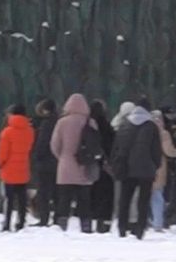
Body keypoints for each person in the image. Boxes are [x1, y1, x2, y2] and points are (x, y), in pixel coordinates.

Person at [112, 100, 162, 239]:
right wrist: (155, 165)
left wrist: (116, 164)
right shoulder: (151, 126)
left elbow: (116, 147)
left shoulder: (124, 124)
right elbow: (156, 149)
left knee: (124, 199)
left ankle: (122, 227)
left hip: (126, 167)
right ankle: (140, 229)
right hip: (146, 169)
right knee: (143, 201)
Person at [50, 94, 99, 233]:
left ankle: (62, 225)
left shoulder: (62, 122)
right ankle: (86, 226)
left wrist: (62, 157)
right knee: (84, 200)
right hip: (85, 166)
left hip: (65, 167)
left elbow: (54, 145)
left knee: (64, 199)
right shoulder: (90, 122)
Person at [0, 104, 34, 232]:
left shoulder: (7, 132)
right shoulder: (30, 131)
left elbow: (2, 152)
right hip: (23, 167)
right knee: (22, 198)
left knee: (9, 198)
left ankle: (7, 223)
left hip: (9, 169)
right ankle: (21, 222)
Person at [150, 110, 176, 232]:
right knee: (157, 195)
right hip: (159, 166)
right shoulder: (163, 134)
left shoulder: (144, 130)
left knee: (145, 195)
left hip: (143, 166)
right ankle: (158, 223)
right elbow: (169, 151)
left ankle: (146, 220)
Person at [89, 100, 116, 233]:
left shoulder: (88, 125)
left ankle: (90, 219)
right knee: (106, 193)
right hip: (105, 166)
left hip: (90, 164)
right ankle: (104, 221)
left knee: (91, 192)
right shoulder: (107, 126)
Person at [31, 99, 58, 226]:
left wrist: (36, 156)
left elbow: (43, 142)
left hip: (45, 162)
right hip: (57, 162)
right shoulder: (58, 121)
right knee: (56, 191)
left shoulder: (46, 124)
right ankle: (57, 218)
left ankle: (44, 218)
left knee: (43, 192)